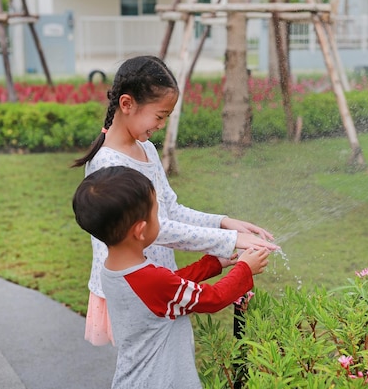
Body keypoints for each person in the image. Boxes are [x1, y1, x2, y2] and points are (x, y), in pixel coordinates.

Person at [72, 55, 279, 345]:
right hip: (135, 287)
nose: (161, 125)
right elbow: (160, 230)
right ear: (127, 104)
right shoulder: (107, 165)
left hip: (161, 281)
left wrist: (222, 223)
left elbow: (171, 210)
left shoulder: (146, 149)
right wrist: (229, 240)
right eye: (159, 116)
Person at [72, 166, 270, 389]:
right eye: (157, 213)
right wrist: (245, 268)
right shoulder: (150, 281)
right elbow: (212, 298)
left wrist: (212, 264)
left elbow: (170, 286)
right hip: (161, 381)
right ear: (140, 230)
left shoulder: (114, 269)